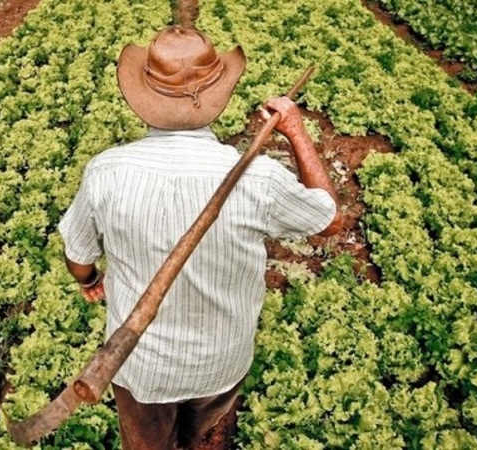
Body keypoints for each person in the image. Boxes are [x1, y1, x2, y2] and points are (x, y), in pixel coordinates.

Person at [57, 23, 341, 450]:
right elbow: (328, 219)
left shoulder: (106, 172)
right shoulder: (258, 178)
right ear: (218, 98)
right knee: (207, 434)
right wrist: (296, 132)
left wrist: (89, 281)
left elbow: (78, 257)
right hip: (220, 364)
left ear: (142, 99)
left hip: (140, 370)